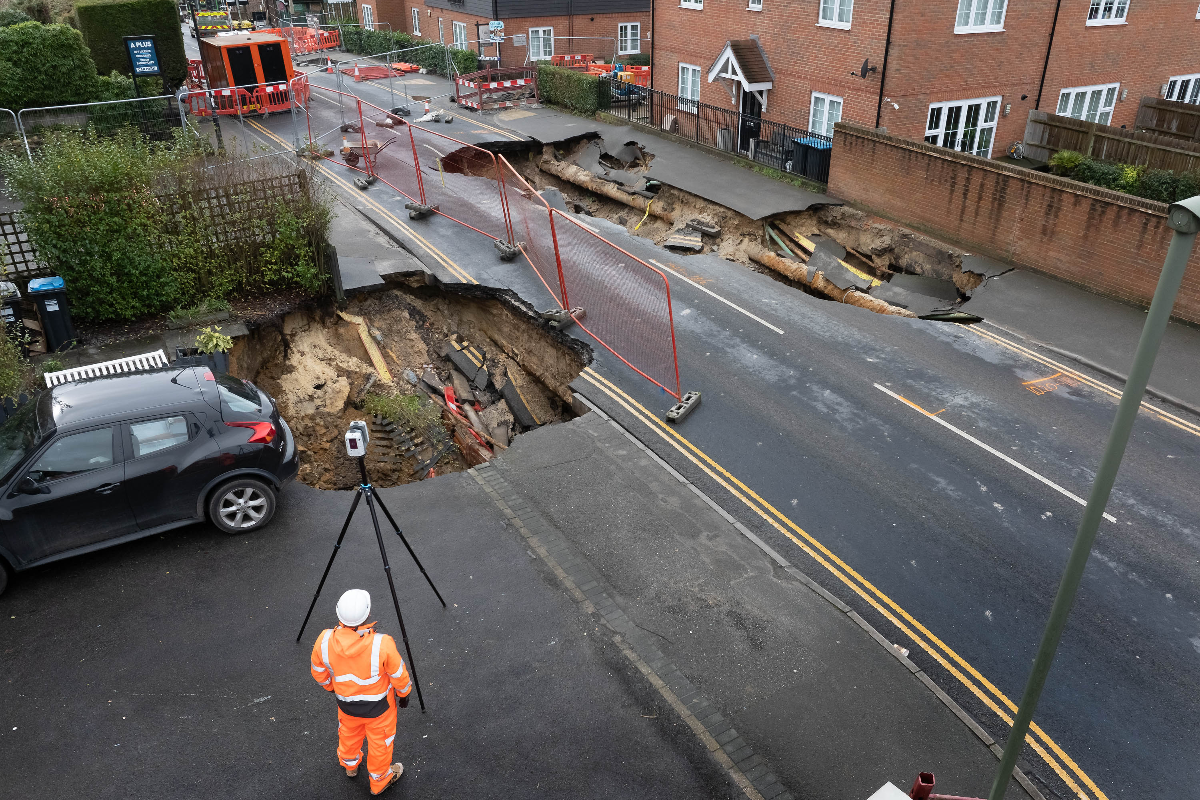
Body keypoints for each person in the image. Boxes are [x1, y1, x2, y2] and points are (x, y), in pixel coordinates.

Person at [311, 589, 412, 795]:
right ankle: (380, 781)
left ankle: (350, 766)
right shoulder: (381, 644)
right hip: (380, 711)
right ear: (368, 615)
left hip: (347, 706)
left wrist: (332, 687)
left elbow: (318, 672)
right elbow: (399, 674)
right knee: (380, 744)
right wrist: (404, 694)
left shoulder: (324, 640)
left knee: (348, 736)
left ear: (338, 613)